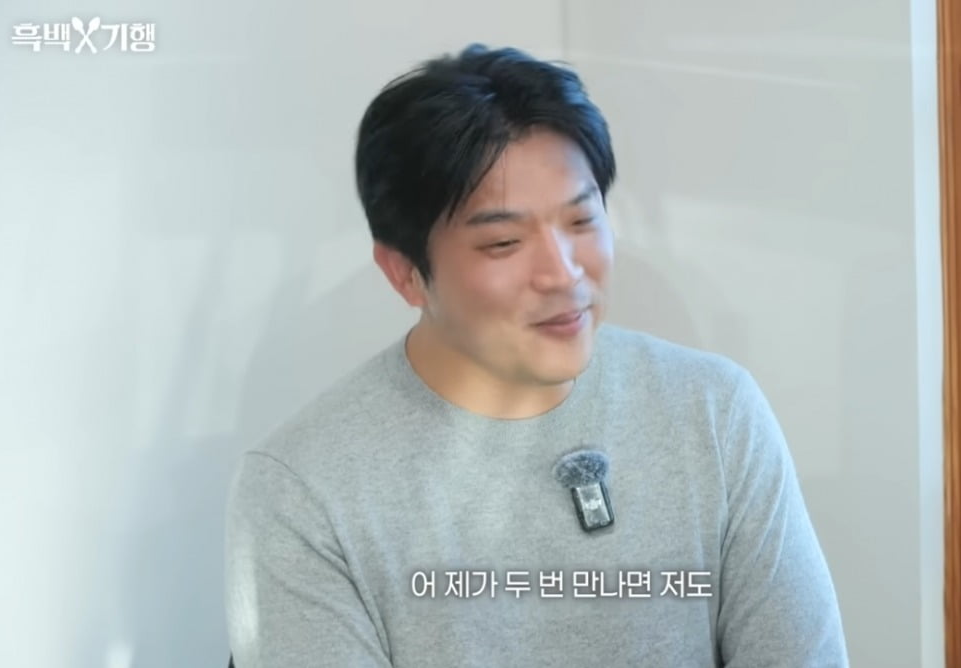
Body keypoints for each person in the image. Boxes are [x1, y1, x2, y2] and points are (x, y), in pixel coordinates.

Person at [224, 43, 848, 667]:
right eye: (503, 242)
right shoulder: (302, 491)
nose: (563, 272)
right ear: (405, 273)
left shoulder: (714, 413)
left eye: (581, 222)